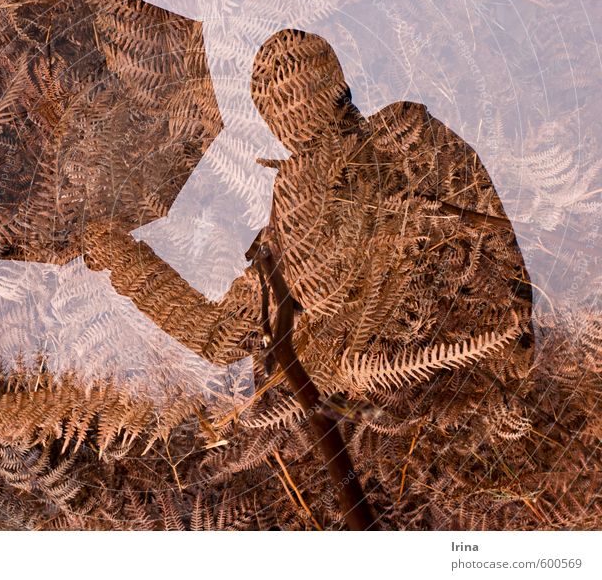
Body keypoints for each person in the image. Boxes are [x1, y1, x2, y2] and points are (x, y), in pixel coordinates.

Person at [83, 28, 533, 395]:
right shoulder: (411, 129)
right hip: (492, 357)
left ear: (274, 123)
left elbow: (218, 336)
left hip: (413, 393)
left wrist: (120, 258)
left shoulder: (300, 200)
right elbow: (508, 233)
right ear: (339, 81)